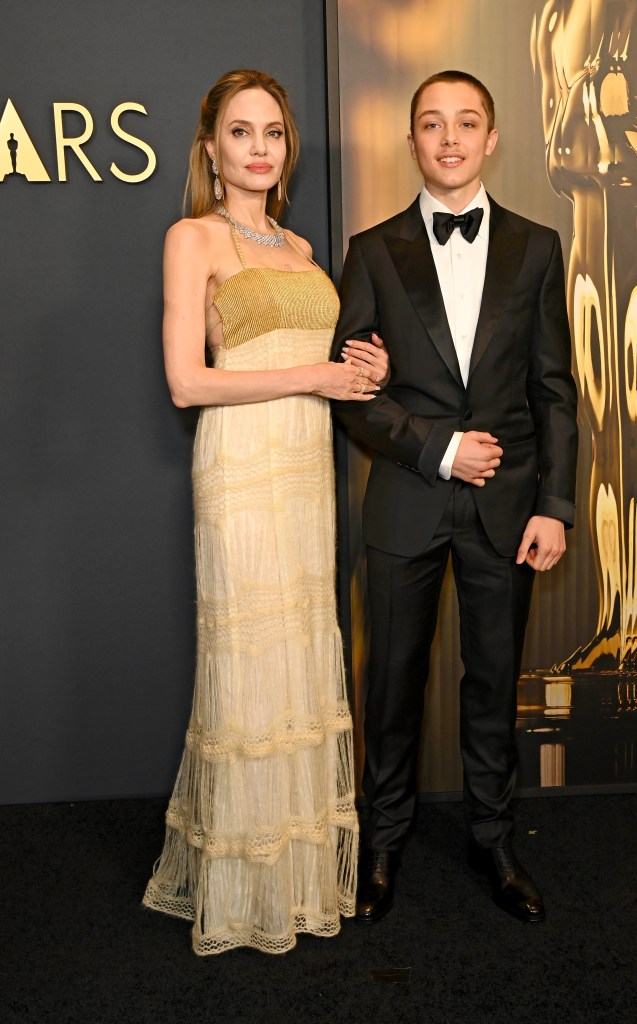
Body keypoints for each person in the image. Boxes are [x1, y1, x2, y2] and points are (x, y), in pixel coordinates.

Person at [142, 69, 388, 956]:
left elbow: (315, 362)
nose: (258, 148)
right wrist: (313, 375)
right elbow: (185, 382)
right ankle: (244, 889)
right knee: (249, 668)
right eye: (241, 132)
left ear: (286, 148)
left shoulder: (304, 250)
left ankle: (295, 877)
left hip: (302, 467)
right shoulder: (191, 238)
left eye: (273, 133)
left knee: (298, 655)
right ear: (210, 147)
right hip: (241, 467)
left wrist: (358, 372)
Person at [331, 70, 578, 925]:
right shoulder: (370, 250)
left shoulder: (538, 246)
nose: (448, 139)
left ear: (491, 137)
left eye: (465, 123)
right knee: (391, 685)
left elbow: (555, 390)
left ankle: (493, 840)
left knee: (492, 683)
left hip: (509, 511)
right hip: (405, 499)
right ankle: (384, 842)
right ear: (410, 142)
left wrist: (554, 504)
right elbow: (352, 391)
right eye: (431, 125)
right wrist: (439, 449)